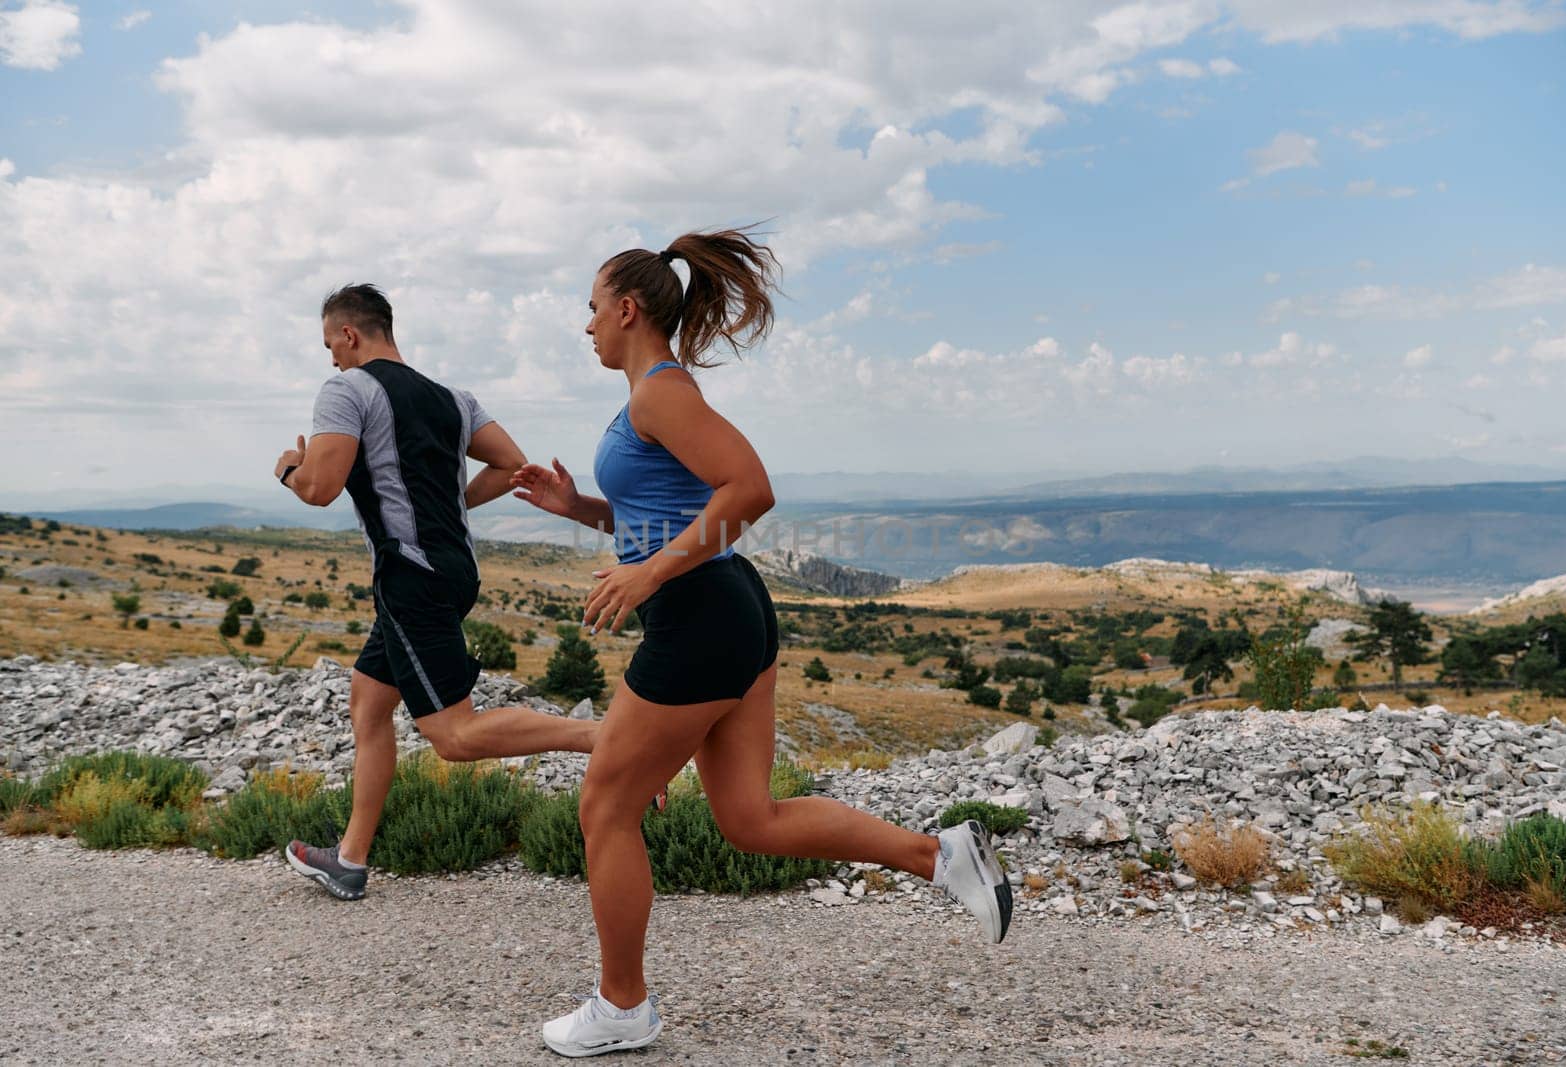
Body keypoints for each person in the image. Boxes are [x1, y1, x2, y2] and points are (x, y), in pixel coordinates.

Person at [510, 230, 1012, 1058]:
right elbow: (670, 506)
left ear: (627, 309)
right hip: (727, 609)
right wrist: (584, 511)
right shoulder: (647, 395)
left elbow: (752, 487)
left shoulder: (659, 394)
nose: (587, 324)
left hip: (701, 615)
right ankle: (943, 854)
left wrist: (646, 577)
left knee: (605, 803)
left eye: (592, 309)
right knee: (750, 816)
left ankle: (622, 1004)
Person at [272, 283, 599, 901]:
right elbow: (514, 464)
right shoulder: (454, 397)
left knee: (454, 736)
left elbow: (319, 488)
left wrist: (289, 466)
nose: (331, 361)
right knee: (370, 702)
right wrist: (451, 502)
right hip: (455, 570)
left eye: (330, 346)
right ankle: (349, 858)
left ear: (349, 334)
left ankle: (606, 738)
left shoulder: (347, 390)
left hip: (409, 577)